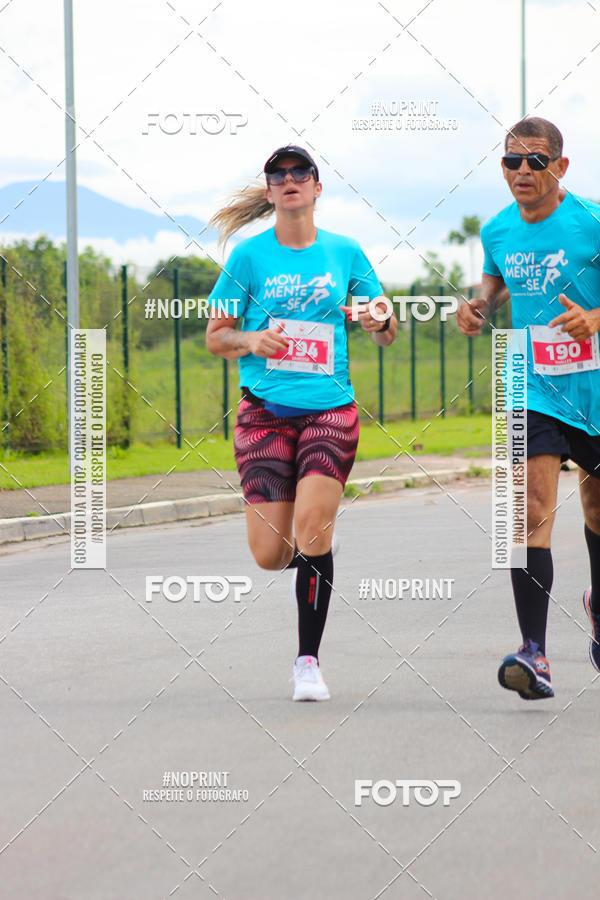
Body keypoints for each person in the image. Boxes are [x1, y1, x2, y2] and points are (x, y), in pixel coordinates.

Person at [205, 145, 397, 701]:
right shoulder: (248, 257)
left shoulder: (345, 251)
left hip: (329, 409)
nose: (289, 180)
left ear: (317, 186)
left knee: (313, 529)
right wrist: (251, 339)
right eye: (278, 175)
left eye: (300, 173)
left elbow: (385, 328)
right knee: (270, 554)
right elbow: (216, 336)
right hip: (264, 413)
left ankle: (307, 662)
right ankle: (315, 553)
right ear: (269, 192)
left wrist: (378, 319)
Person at [457, 117, 600, 700]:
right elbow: (494, 284)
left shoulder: (591, 221)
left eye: (535, 161)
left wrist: (595, 318)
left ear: (560, 167)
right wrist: (479, 306)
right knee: (526, 512)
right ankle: (533, 653)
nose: (522, 171)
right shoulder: (497, 230)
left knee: (597, 508)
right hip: (528, 380)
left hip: (594, 383)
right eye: (511, 161)